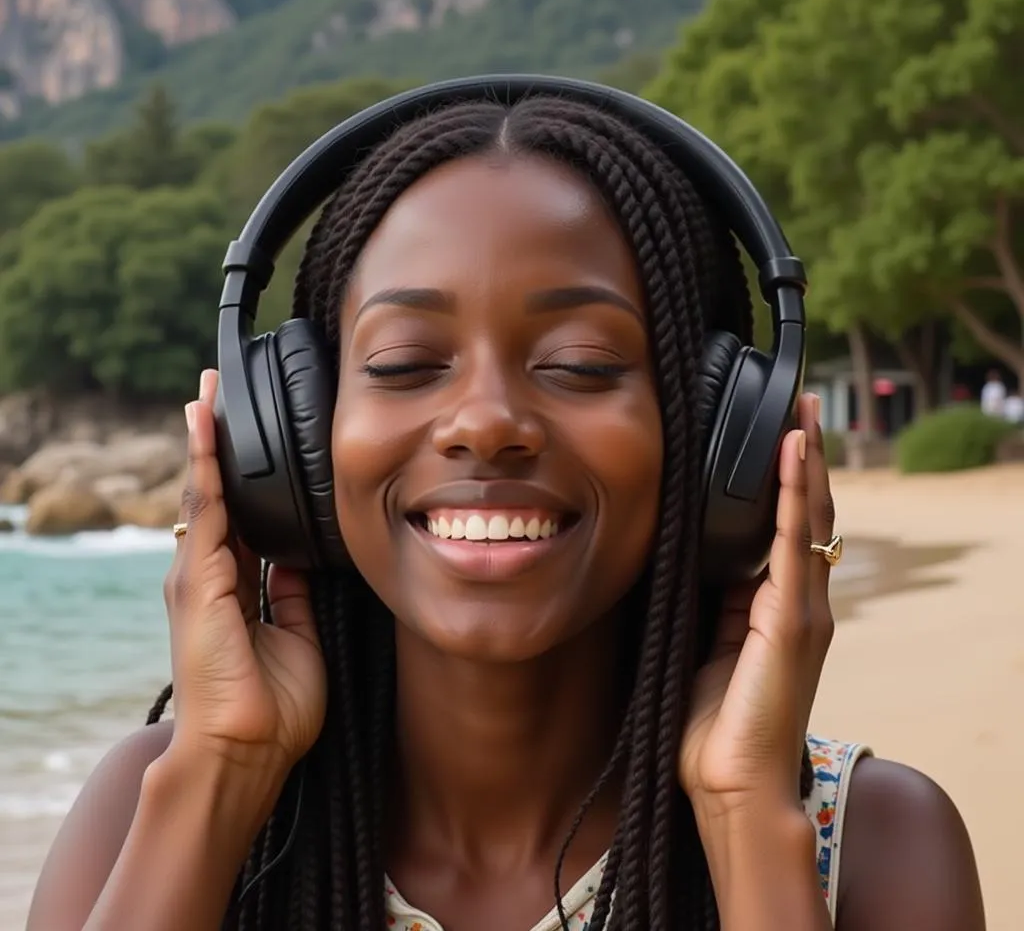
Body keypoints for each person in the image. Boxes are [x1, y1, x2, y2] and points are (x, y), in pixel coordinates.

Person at [28, 93, 984, 931]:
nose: (486, 426)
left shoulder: (877, 844)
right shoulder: (153, 807)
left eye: (581, 365)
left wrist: (744, 820)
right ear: (290, 437)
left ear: (722, 433)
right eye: (404, 364)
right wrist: (222, 776)